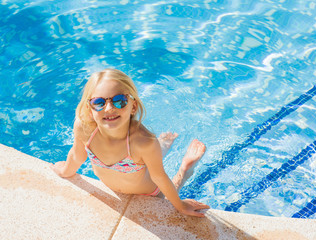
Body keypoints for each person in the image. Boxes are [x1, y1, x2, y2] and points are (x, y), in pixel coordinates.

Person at [50, 68, 210, 217]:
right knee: (147, 157)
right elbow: (77, 156)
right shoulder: (84, 128)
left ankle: (185, 168)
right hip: (126, 172)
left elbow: (159, 177)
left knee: (156, 167)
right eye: (99, 102)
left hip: (148, 192)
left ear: (133, 106)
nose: (109, 108)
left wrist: (181, 206)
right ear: (89, 108)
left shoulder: (144, 141)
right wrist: (65, 171)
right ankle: (164, 143)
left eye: (119, 100)